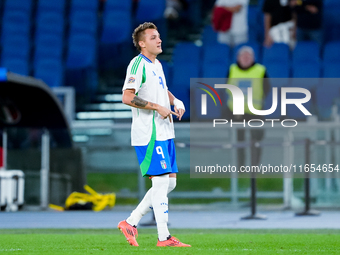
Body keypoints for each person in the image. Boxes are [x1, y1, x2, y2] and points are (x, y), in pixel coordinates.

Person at [118, 22, 190, 247]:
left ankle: (131, 222)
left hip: (165, 130)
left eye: (158, 37)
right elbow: (127, 97)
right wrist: (156, 107)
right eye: (153, 38)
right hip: (149, 133)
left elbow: (160, 89)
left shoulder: (156, 64)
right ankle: (164, 237)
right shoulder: (137, 64)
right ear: (142, 43)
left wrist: (173, 100)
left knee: (169, 184)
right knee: (160, 184)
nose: (159, 40)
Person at [226, 46, 270, 168]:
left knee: (256, 141)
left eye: (248, 56)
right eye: (243, 56)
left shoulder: (260, 70)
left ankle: (255, 167)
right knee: (238, 141)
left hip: (255, 112)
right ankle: (240, 167)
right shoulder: (232, 69)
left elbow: (267, 88)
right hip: (236, 113)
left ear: (253, 58)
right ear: (238, 58)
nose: (245, 59)